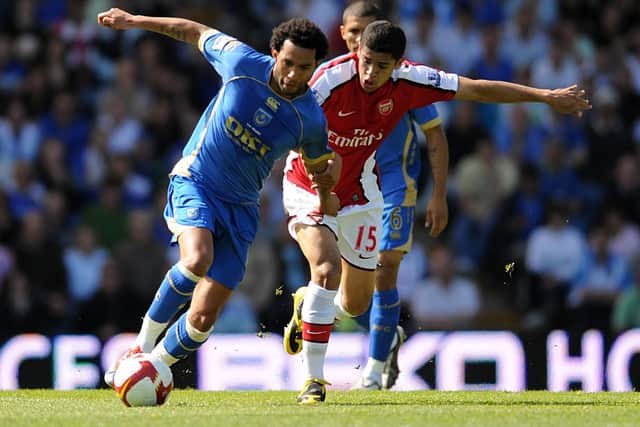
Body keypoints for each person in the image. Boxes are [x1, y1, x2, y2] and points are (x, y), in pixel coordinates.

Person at [282, 19, 590, 404]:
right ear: (355, 51)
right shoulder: (328, 81)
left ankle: (309, 305)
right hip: (309, 185)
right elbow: (290, 124)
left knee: (355, 302)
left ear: (398, 64)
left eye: (381, 65)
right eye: (365, 61)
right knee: (325, 270)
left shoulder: (414, 81)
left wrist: (543, 96)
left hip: (362, 193)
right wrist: (320, 179)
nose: (369, 72)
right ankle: (314, 381)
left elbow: (476, 89)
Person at [96, 8, 340, 388]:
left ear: (314, 68)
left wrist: (326, 198)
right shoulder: (241, 61)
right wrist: (135, 21)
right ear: (275, 53)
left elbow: (317, 165)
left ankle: (155, 368)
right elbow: (191, 30)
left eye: (304, 68)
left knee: (204, 317)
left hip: (242, 208)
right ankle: (139, 349)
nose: (293, 75)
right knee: (197, 259)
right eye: (288, 63)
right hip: (198, 182)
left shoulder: (309, 119)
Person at [336, 1, 450, 391]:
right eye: (354, 32)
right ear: (344, 33)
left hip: (394, 187)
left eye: (365, 32)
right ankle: (388, 339)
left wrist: (438, 195)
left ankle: (371, 372)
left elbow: (434, 133)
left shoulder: (403, 79)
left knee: (385, 268)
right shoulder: (335, 79)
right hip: (348, 190)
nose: (358, 40)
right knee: (352, 287)